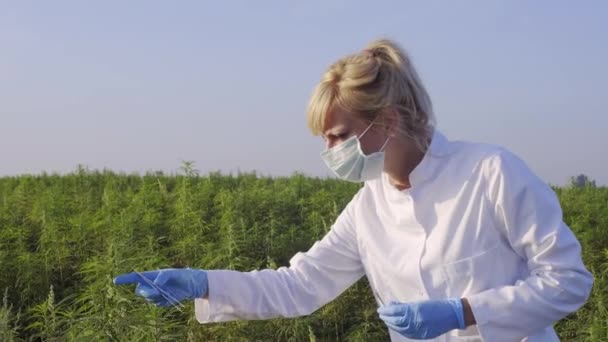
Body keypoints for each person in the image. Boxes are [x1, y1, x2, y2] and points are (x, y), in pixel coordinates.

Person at [114, 38, 594, 341]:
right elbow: (299, 286)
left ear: (386, 121)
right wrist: (205, 282)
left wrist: (463, 311)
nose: (329, 149)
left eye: (338, 135)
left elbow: (568, 281)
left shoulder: (491, 173)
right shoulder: (368, 209)